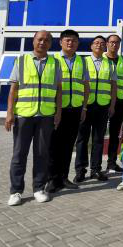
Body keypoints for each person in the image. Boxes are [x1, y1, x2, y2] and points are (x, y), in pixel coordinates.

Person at [5, 30, 62, 205]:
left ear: (50, 43)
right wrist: (10, 113)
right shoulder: (21, 61)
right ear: (33, 41)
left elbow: (59, 90)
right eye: (40, 39)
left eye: (46, 40)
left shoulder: (55, 63)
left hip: (46, 115)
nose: (42, 42)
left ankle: (39, 188)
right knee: (19, 154)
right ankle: (16, 191)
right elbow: (13, 89)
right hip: (24, 115)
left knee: (42, 154)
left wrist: (58, 112)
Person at [46, 29, 86, 193]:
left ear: (78, 43)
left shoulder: (82, 61)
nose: (71, 43)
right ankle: (52, 179)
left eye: (74, 40)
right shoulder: (52, 59)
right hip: (57, 110)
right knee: (53, 145)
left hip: (75, 109)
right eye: (67, 40)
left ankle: (63, 177)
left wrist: (84, 107)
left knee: (69, 145)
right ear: (60, 42)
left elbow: (86, 85)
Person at [74, 35, 117, 183]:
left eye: (102, 43)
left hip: (103, 106)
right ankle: (80, 170)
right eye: (96, 43)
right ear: (91, 46)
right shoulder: (83, 62)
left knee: (98, 139)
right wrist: (82, 106)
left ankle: (96, 170)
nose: (99, 45)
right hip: (86, 106)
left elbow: (114, 86)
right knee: (82, 139)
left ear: (105, 46)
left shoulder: (110, 64)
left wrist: (112, 105)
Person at [104, 33, 123, 175]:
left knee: (115, 134)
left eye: (117, 42)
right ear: (107, 44)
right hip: (102, 101)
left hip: (119, 102)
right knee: (98, 135)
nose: (114, 45)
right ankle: (93, 168)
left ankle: (112, 163)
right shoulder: (101, 59)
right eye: (112, 42)